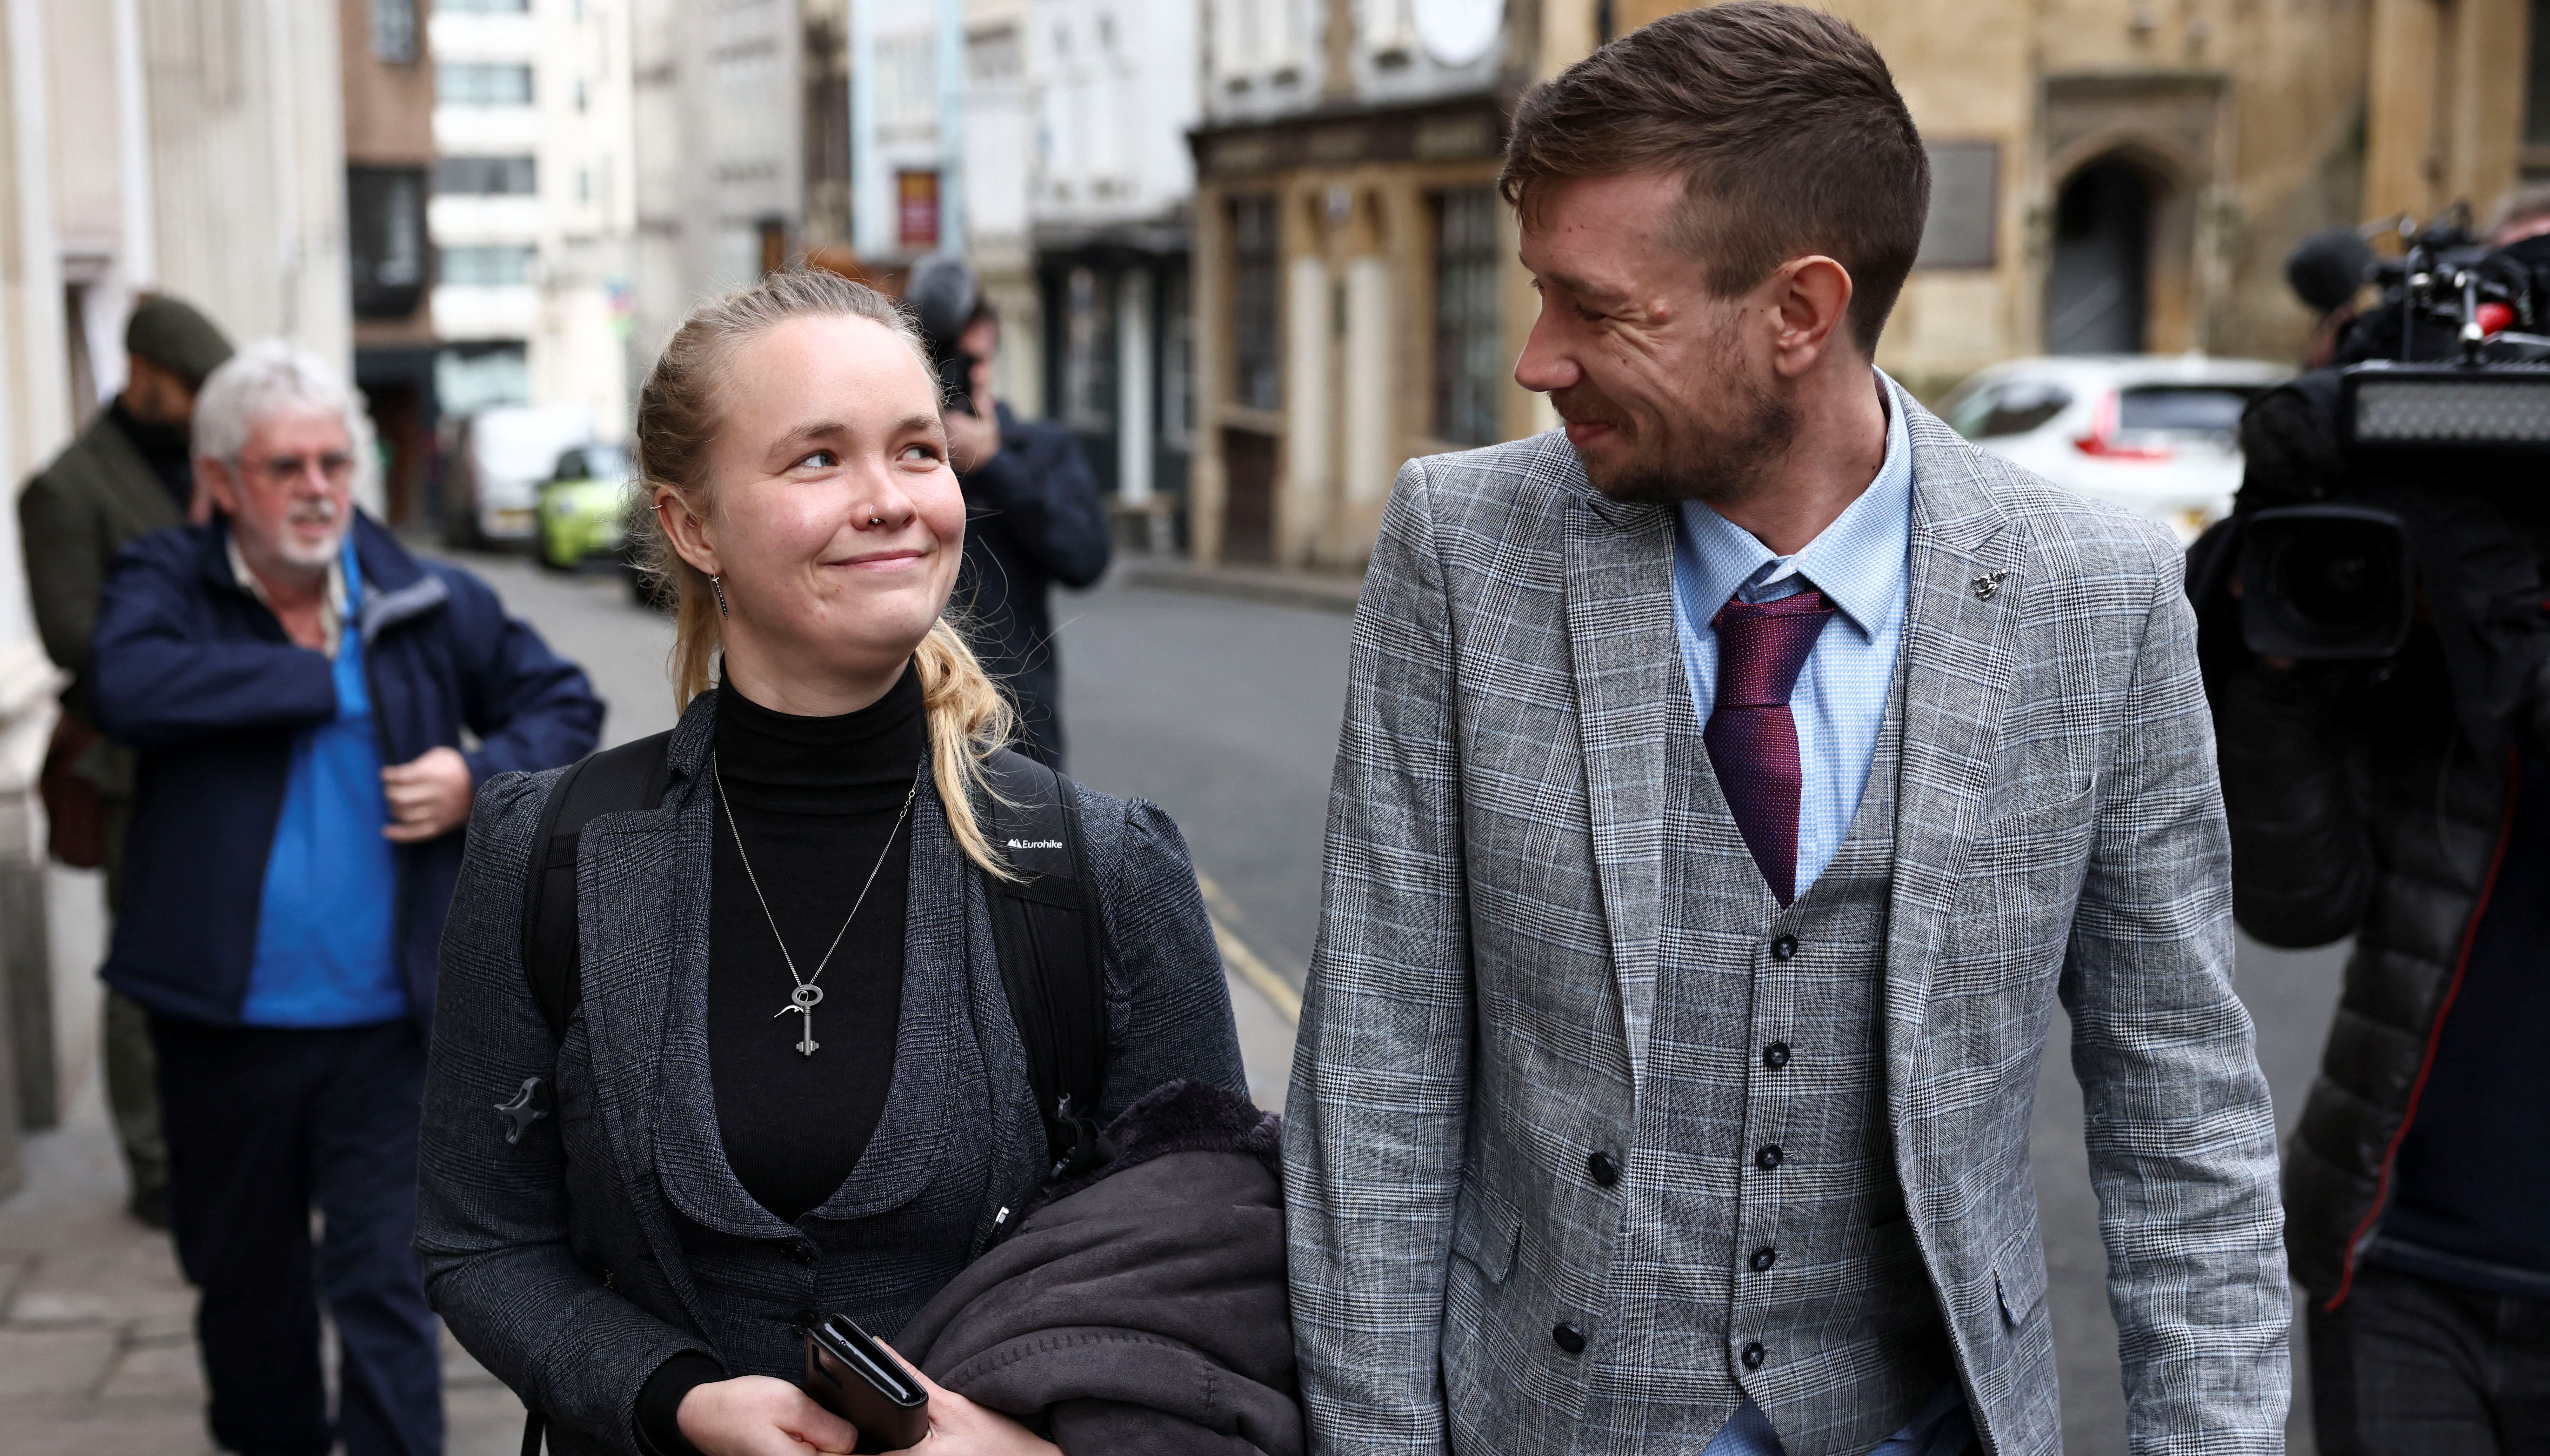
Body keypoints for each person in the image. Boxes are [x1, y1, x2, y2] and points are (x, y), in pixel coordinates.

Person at [1282, 8, 2289, 1456]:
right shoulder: (1459, 549)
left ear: (1798, 311)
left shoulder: (2096, 594)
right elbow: (1373, 1065)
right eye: (1536, 296)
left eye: (1597, 308)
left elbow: (2179, 1102)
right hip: (1548, 1410)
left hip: (1920, 1419)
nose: (1536, 360)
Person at [416, 268, 1246, 1456]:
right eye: (817, 460)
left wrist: (1040, 1451)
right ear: (691, 523)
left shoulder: (1102, 870)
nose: (890, 500)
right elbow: (479, 1240)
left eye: (916, 451)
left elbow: (1207, 1283)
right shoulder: (548, 852)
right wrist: (674, 1398)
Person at [88, 341, 604, 1456]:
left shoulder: (421, 594)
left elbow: (564, 699)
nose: (319, 488)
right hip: (218, 1025)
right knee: (245, 1284)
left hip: (393, 1025)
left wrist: (479, 774)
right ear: (222, 479)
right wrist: (320, 676)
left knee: (382, 1281)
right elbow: (125, 682)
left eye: (335, 460)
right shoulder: (163, 581)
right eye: (286, 467)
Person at [2218, 187, 2550, 1453]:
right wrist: (2286, 667)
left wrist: (2507, 620)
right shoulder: (2425, 596)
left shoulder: (2486, 605)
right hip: (2400, 1260)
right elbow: (2292, 903)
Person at [17, 293, 234, 1229]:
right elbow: (75, 636)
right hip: (134, 767)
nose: (194, 407)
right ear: (143, 374)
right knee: (144, 967)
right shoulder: (65, 487)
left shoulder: (208, 463)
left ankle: (221, 1137)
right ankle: (152, 1160)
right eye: (185, 389)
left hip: (229, 754)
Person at [936, 287, 1112, 769]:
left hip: (1022, 728)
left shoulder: (1038, 448)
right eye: (948, 359)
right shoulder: (903, 461)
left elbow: (1085, 557)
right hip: (920, 728)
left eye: (973, 358)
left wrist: (993, 465)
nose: (965, 375)